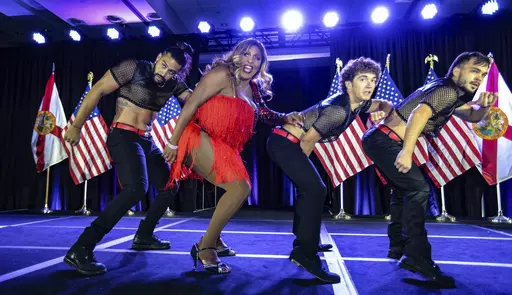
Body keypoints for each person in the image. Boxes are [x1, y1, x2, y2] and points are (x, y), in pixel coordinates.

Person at [163, 38, 303, 274]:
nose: (251, 61)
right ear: (238, 55)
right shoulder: (222, 74)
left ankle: (215, 240)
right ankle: (205, 247)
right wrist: (173, 142)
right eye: (247, 54)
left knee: (239, 190)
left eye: (257, 58)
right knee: (240, 188)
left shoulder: (254, 88)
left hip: (225, 147)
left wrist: (283, 117)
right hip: (198, 137)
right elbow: (191, 104)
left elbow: (264, 114)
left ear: (262, 64)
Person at [362, 52, 495, 287]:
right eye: (475, 70)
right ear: (456, 71)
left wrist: (485, 108)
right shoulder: (448, 90)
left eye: (483, 74)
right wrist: (407, 150)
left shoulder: (451, 93)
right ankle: (416, 255)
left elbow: (473, 116)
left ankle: (398, 247)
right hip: (386, 140)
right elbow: (419, 113)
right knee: (418, 189)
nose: (479, 77)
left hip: (380, 139)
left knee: (404, 191)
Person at [62, 42, 195, 276]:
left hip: (146, 140)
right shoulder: (133, 68)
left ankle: (144, 236)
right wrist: (77, 125)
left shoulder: (174, 84)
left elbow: (194, 101)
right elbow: (99, 90)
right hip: (123, 135)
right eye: (164, 66)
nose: (164, 73)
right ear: (158, 57)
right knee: (136, 188)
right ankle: (82, 247)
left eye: (171, 71)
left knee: (169, 186)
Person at [266, 57, 393, 283]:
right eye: (362, 79)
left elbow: (380, 103)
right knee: (314, 189)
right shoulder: (338, 110)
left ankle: (305, 239)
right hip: (283, 142)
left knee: (311, 189)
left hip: (291, 142)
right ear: (348, 84)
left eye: (373, 80)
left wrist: (387, 108)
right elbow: (307, 141)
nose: (369, 85)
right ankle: (304, 252)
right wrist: (301, 173)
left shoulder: (360, 103)